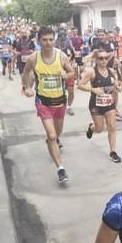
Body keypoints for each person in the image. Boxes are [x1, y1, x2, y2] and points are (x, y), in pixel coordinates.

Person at [22, 27, 76, 184]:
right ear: (38, 40)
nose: (48, 43)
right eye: (44, 40)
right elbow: (26, 73)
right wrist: (27, 87)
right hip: (43, 102)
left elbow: (72, 72)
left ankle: (52, 141)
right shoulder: (33, 58)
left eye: (51, 39)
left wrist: (67, 75)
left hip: (59, 101)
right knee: (52, 136)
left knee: (57, 134)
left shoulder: (62, 56)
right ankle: (60, 169)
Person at [78, 50, 122, 163]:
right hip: (96, 105)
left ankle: (113, 152)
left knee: (112, 127)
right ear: (96, 60)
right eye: (101, 58)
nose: (104, 60)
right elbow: (80, 85)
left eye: (106, 58)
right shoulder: (92, 72)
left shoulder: (112, 71)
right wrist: (93, 89)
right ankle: (92, 127)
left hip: (109, 104)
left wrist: (118, 87)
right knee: (99, 129)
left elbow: (116, 85)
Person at [57, 28, 77, 116]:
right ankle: (59, 106)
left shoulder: (69, 48)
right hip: (59, 73)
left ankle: (69, 107)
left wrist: (71, 66)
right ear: (58, 40)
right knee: (59, 92)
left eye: (64, 40)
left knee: (71, 91)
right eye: (61, 40)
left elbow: (73, 58)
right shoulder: (55, 49)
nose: (62, 42)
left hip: (69, 73)